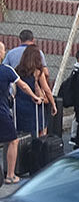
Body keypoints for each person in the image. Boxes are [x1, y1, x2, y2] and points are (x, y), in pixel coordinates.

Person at [0, 42, 43, 184]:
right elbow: (23, 86)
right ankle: (10, 175)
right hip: (2, 111)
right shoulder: (6, 70)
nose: (5, 53)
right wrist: (34, 96)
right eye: (3, 50)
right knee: (13, 140)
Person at [14, 46, 54, 137]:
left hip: (20, 104)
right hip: (35, 104)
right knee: (41, 128)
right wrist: (53, 104)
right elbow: (46, 89)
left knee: (22, 131)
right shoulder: (37, 72)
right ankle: (37, 148)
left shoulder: (17, 70)